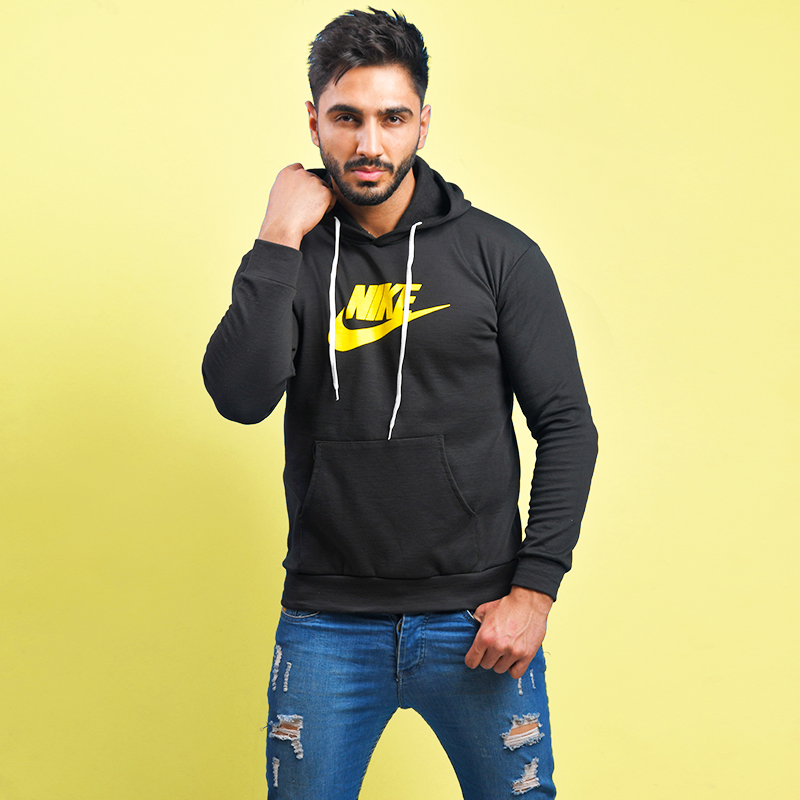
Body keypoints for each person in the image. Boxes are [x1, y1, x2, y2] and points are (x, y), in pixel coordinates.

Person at [203, 8, 597, 798]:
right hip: (325, 623)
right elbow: (240, 397)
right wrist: (277, 236)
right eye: (346, 118)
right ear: (314, 121)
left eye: (391, 117)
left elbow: (566, 427)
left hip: (477, 619)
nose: (369, 143)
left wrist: (534, 592)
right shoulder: (294, 257)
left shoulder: (499, 256)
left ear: (423, 121)